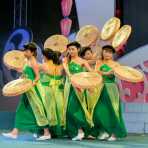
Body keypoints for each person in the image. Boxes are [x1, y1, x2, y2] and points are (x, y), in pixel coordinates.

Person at [2, 42, 51, 140]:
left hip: (34, 90)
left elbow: (37, 77)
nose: (24, 52)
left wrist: (32, 83)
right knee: (21, 109)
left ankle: (47, 133)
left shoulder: (33, 62)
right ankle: (15, 132)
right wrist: (17, 71)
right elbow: (25, 72)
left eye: (27, 51)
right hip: (27, 90)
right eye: (24, 50)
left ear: (32, 53)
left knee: (39, 110)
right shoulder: (26, 61)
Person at [93, 45, 127, 141]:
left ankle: (114, 133)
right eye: (105, 51)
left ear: (112, 54)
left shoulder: (116, 64)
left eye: (109, 52)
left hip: (111, 88)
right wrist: (106, 73)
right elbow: (96, 73)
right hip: (99, 88)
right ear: (102, 52)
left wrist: (112, 72)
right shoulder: (99, 62)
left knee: (113, 110)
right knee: (98, 110)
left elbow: (121, 74)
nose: (107, 54)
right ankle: (104, 130)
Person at [63, 41, 93, 141]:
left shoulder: (83, 61)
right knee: (69, 109)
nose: (71, 51)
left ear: (78, 49)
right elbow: (67, 71)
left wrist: (90, 84)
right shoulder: (66, 60)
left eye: (73, 49)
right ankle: (76, 131)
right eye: (69, 49)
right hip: (69, 87)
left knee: (76, 108)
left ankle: (80, 131)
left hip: (79, 87)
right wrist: (71, 77)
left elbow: (91, 73)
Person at [39, 48, 65, 138]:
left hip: (47, 89)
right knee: (59, 109)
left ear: (45, 56)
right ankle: (60, 131)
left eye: (43, 55)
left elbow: (30, 69)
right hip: (59, 90)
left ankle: (47, 132)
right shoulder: (60, 66)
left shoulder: (44, 65)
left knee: (47, 109)